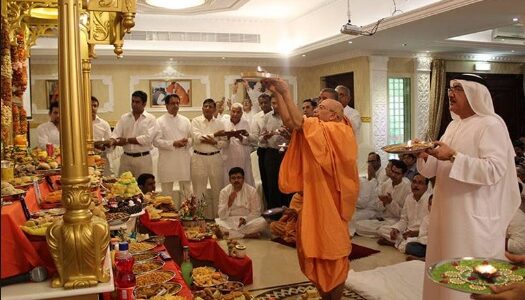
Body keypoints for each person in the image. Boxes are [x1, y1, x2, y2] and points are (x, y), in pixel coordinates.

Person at [417, 74, 521, 300]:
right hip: (446, 213)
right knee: (442, 269)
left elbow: (494, 170)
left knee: (468, 277)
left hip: (473, 218)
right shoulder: (454, 125)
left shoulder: (492, 124)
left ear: (475, 93)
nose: (450, 93)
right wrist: (425, 156)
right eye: (450, 88)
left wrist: (453, 156)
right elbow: (435, 168)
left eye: (457, 88)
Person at [263, 78, 359, 299]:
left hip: (331, 204)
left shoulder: (340, 130)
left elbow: (297, 121)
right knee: (312, 250)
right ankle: (324, 293)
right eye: (318, 105)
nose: (317, 109)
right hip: (313, 200)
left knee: (332, 253)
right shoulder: (318, 128)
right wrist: (276, 93)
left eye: (322, 106)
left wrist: (286, 91)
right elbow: (291, 121)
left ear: (335, 115)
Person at [153, 94, 193, 207]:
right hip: (167, 161)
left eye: (177, 103)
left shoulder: (185, 120)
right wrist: (173, 143)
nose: (175, 106)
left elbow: (192, 139)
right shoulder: (159, 121)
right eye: (172, 103)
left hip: (183, 160)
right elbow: (156, 141)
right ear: (166, 105)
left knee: (186, 191)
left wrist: (187, 142)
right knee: (166, 193)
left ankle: (187, 215)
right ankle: (168, 218)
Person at [355, 159, 411, 238]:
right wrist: (383, 203)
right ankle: (386, 235)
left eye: (397, 173)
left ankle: (389, 235)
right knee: (358, 225)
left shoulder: (407, 187)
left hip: (396, 221)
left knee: (383, 229)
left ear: (403, 174)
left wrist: (391, 202)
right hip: (384, 220)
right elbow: (378, 207)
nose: (394, 175)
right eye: (393, 172)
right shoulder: (387, 184)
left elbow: (403, 215)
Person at [191, 98, 227, 219]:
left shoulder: (220, 123)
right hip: (198, 157)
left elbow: (225, 142)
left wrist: (214, 143)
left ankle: (219, 219)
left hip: (215, 157)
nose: (207, 108)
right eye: (205, 106)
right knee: (199, 190)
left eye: (210, 106)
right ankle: (199, 218)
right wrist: (215, 135)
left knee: (218, 189)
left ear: (214, 109)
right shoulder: (196, 121)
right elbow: (197, 138)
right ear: (202, 108)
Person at [377, 174, 430, 251]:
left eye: (420, 183)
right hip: (407, 233)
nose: (416, 185)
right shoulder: (409, 198)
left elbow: (432, 225)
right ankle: (400, 243)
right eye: (414, 182)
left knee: (421, 241)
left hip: (422, 234)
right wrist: (396, 229)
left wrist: (416, 233)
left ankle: (395, 244)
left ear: (426, 186)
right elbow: (404, 219)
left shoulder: (430, 200)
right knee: (381, 230)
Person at [111, 91, 158, 178]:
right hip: (126, 158)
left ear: (144, 104)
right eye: (132, 101)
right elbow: (116, 134)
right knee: (123, 188)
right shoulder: (124, 118)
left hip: (143, 159)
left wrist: (126, 140)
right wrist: (112, 141)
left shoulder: (151, 119)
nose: (134, 104)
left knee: (144, 188)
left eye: (137, 102)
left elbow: (147, 139)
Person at [216, 167, 266, 239]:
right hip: (231, 220)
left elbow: (256, 212)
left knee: (262, 223)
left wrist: (245, 219)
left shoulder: (252, 191)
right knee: (218, 225)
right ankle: (247, 235)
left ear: (243, 179)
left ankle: (231, 234)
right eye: (233, 178)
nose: (236, 180)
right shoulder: (224, 192)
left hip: (247, 220)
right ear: (229, 180)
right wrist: (229, 203)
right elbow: (221, 215)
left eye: (239, 177)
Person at [222, 103, 255, 187]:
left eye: (238, 112)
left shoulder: (246, 123)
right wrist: (228, 137)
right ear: (230, 112)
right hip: (228, 154)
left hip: (242, 155)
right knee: (227, 177)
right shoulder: (223, 122)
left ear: (241, 113)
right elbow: (220, 140)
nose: (235, 114)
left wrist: (239, 137)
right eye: (233, 111)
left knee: (244, 175)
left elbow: (250, 140)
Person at [250, 94, 273, 208]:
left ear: (270, 102)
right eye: (261, 103)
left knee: (274, 179)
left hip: (275, 150)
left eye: (266, 102)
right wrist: (262, 138)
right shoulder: (256, 117)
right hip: (263, 150)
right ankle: (268, 205)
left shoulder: (276, 114)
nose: (264, 105)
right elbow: (255, 137)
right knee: (265, 179)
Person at [405, 194, 433, 260]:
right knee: (409, 246)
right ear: (428, 206)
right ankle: (427, 257)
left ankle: (422, 259)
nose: (433, 207)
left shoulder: (445, 219)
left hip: (440, 248)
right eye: (431, 204)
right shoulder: (426, 219)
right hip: (427, 246)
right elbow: (422, 236)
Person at [91, 96, 113, 175]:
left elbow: (109, 145)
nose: (92, 108)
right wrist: (93, 144)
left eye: (95, 106)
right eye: (90, 106)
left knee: (105, 182)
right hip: (84, 159)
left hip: (101, 157)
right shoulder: (78, 123)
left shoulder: (104, 124)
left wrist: (106, 145)